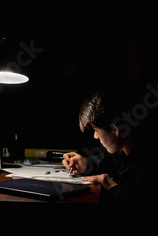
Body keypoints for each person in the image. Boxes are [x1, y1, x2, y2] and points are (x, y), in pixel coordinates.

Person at [62, 89, 147, 222]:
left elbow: (141, 216)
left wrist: (110, 186)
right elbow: (106, 161)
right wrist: (85, 163)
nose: (95, 136)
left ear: (114, 129)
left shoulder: (145, 167)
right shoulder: (124, 151)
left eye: (96, 130)